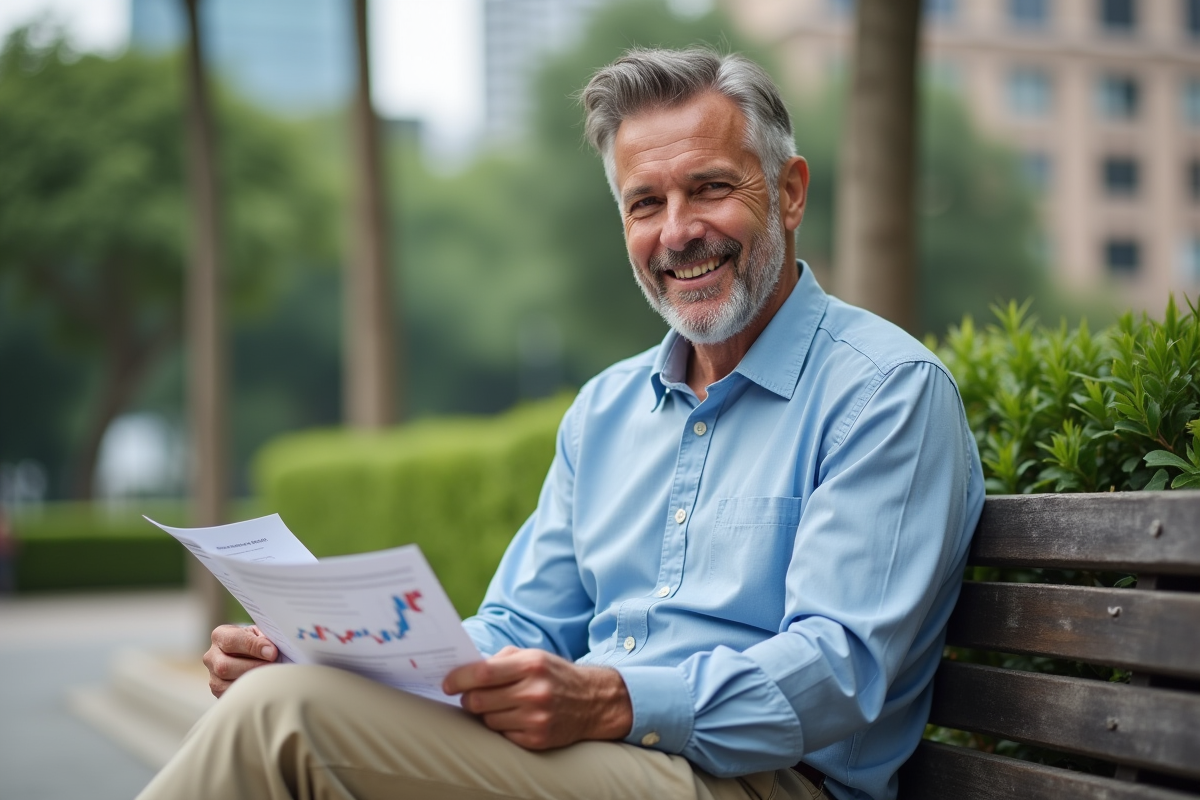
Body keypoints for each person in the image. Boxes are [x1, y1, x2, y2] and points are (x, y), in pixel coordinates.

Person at [138, 47, 984, 800]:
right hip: (600, 760)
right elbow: (516, 628)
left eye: (712, 188)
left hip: (767, 781)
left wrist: (615, 699)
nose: (678, 232)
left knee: (284, 722)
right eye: (644, 202)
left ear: (790, 191)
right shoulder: (606, 411)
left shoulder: (886, 393)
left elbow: (839, 671)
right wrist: (336, 659)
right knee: (282, 693)